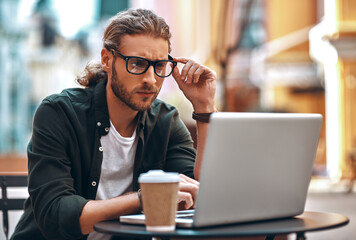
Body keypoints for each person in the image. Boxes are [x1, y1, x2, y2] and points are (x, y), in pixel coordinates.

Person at [11, 8, 216, 240]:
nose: (150, 79)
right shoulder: (59, 113)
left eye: (159, 66)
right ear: (107, 60)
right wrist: (145, 198)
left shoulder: (165, 122)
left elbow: (198, 199)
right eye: (137, 64)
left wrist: (204, 108)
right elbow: (56, 215)